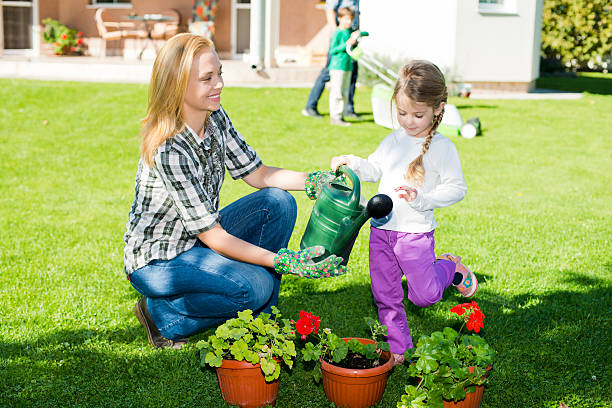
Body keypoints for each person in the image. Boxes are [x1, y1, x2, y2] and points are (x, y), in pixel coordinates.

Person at [124, 33, 346, 350]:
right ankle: (161, 314)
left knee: (278, 202)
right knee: (253, 286)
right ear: (177, 86)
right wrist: (284, 261)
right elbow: (215, 238)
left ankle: (263, 316)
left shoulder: (215, 115)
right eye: (207, 78)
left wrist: (315, 181)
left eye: (219, 74)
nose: (219, 85)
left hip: (196, 239)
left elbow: (258, 174)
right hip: (158, 260)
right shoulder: (169, 149)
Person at [330, 60, 478, 365]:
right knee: (385, 295)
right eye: (402, 113)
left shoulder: (442, 148)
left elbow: (457, 188)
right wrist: (352, 161)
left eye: (418, 114)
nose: (409, 121)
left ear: (438, 109)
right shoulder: (393, 140)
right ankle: (399, 348)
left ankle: (449, 267)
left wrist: (422, 199)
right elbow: (375, 168)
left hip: (415, 235)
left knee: (424, 296)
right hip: (381, 231)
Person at [302, 0, 360, 120]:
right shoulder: (339, 33)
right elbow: (329, 10)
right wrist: (338, 34)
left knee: (352, 74)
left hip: (351, 38)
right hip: (342, 40)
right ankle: (310, 106)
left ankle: (348, 108)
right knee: (327, 73)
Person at [328, 7, 360, 126]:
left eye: (350, 19)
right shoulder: (337, 32)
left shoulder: (348, 32)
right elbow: (332, 50)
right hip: (337, 66)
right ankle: (335, 117)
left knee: (345, 92)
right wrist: (347, 43)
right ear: (339, 18)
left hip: (347, 66)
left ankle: (341, 115)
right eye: (346, 19)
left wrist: (356, 38)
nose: (349, 22)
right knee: (337, 92)